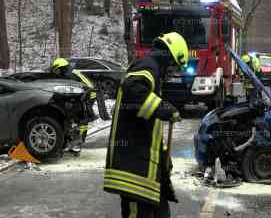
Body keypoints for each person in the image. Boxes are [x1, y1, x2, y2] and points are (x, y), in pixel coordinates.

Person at [104, 32, 189, 218]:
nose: (172, 72)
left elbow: (146, 123)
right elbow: (132, 90)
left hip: (143, 172)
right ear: (170, 56)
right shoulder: (148, 65)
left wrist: (162, 156)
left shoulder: (152, 69)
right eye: (174, 66)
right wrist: (164, 107)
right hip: (133, 171)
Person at [49, 58, 97, 154]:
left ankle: (77, 144)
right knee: (79, 117)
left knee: (81, 118)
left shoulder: (68, 74)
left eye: (56, 69)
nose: (56, 72)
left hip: (87, 95)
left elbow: (73, 88)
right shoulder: (70, 71)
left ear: (61, 67)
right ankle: (76, 142)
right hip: (86, 93)